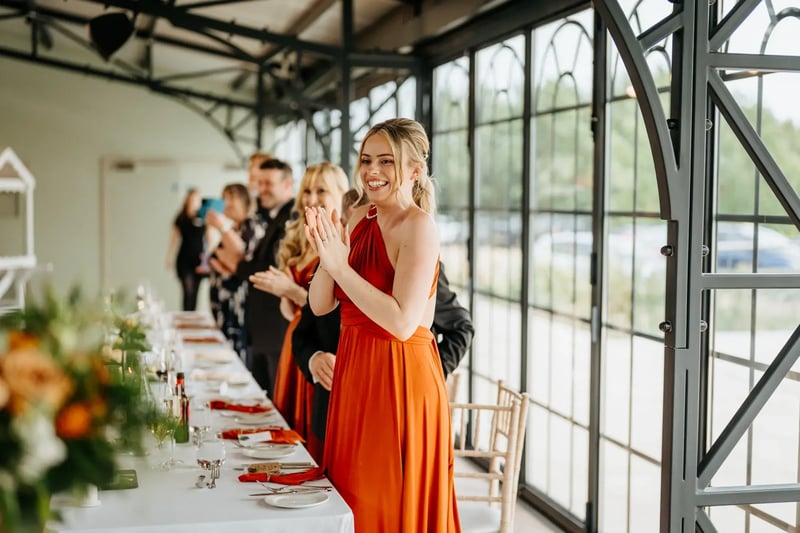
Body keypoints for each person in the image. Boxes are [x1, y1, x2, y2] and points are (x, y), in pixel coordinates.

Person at [305, 118, 460, 531]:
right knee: (353, 498)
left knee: (387, 503)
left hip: (401, 380)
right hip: (355, 375)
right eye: (366, 159)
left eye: (386, 161)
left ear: (414, 170)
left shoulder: (419, 227)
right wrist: (327, 256)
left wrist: (341, 267)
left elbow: (403, 322)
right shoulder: (358, 217)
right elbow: (320, 304)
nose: (372, 171)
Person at [293, 189, 473, 446]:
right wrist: (315, 358)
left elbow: (460, 326)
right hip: (341, 397)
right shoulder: (337, 255)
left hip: (398, 396)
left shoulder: (416, 253)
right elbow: (312, 318)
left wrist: (424, 374)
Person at [249, 162, 349, 462]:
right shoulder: (299, 238)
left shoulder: (343, 241)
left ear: (340, 194)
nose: (311, 199)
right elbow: (290, 311)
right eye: (307, 191)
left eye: (321, 191)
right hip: (295, 341)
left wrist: (291, 290)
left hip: (321, 347)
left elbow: (331, 311)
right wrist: (283, 291)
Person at [222, 158, 295, 394]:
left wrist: (238, 265)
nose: (261, 189)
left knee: (273, 397)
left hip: (276, 326)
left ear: (287, 185)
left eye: (268, 183)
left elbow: (271, 268)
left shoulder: (290, 219)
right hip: (264, 327)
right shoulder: (275, 216)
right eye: (260, 183)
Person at [205, 183, 265, 360]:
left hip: (239, 302)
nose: (227, 202)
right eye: (224, 198)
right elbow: (215, 258)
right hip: (225, 302)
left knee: (237, 354)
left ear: (245, 200)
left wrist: (222, 227)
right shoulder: (235, 229)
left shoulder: (252, 224)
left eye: (232, 197)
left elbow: (240, 256)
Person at [165, 188, 206, 310]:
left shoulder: (203, 217)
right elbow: (174, 239)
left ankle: (192, 316)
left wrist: (208, 259)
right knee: (188, 291)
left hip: (198, 258)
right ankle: (186, 314)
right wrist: (169, 257)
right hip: (184, 258)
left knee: (195, 292)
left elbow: (209, 238)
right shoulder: (181, 218)